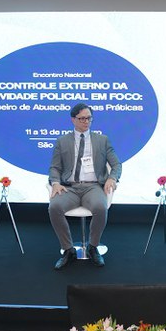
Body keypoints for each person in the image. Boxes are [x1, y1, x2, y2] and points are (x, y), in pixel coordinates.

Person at [48, 103, 122, 270]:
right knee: (54, 207)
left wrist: (112, 178)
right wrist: (56, 182)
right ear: (73, 119)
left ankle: (93, 247)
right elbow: (54, 167)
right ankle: (68, 250)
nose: (86, 122)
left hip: (93, 186)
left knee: (100, 207)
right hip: (70, 187)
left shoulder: (102, 140)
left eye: (89, 118)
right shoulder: (62, 141)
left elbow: (116, 164)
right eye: (82, 118)